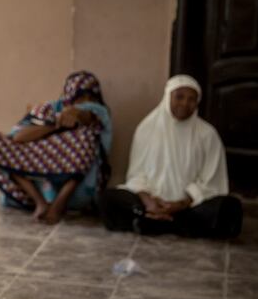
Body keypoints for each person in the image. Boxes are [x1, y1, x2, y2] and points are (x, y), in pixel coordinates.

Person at [99, 74, 243, 238]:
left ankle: (156, 223)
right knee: (107, 199)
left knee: (230, 207)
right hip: (150, 202)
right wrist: (148, 202)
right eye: (179, 97)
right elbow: (136, 174)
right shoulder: (147, 128)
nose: (185, 104)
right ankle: (169, 223)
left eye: (191, 99)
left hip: (190, 206)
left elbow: (211, 181)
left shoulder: (208, 134)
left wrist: (180, 204)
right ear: (167, 97)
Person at [0, 71, 112, 224]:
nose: (86, 102)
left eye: (91, 97)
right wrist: (55, 125)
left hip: (77, 186)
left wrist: (76, 113)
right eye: (80, 97)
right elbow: (18, 137)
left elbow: (89, 112)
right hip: (41, 171)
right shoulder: (49, 109)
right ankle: (40, 203)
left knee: (86, 136)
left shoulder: (99, 114)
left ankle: (59, 204)